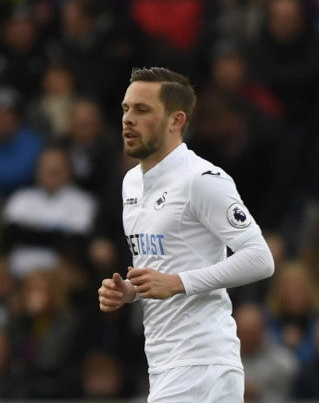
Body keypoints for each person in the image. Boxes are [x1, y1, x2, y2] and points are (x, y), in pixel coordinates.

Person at [97, 67, 275, 403]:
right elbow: (165, 268)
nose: (128, 119)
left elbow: (260, 258)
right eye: (126, 109)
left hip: (203, 365)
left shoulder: (202, 179)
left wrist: (177, 282)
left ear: (176, 121)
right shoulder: (130, 183)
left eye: (142, 110)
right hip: (164, 363)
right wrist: (131, 292)